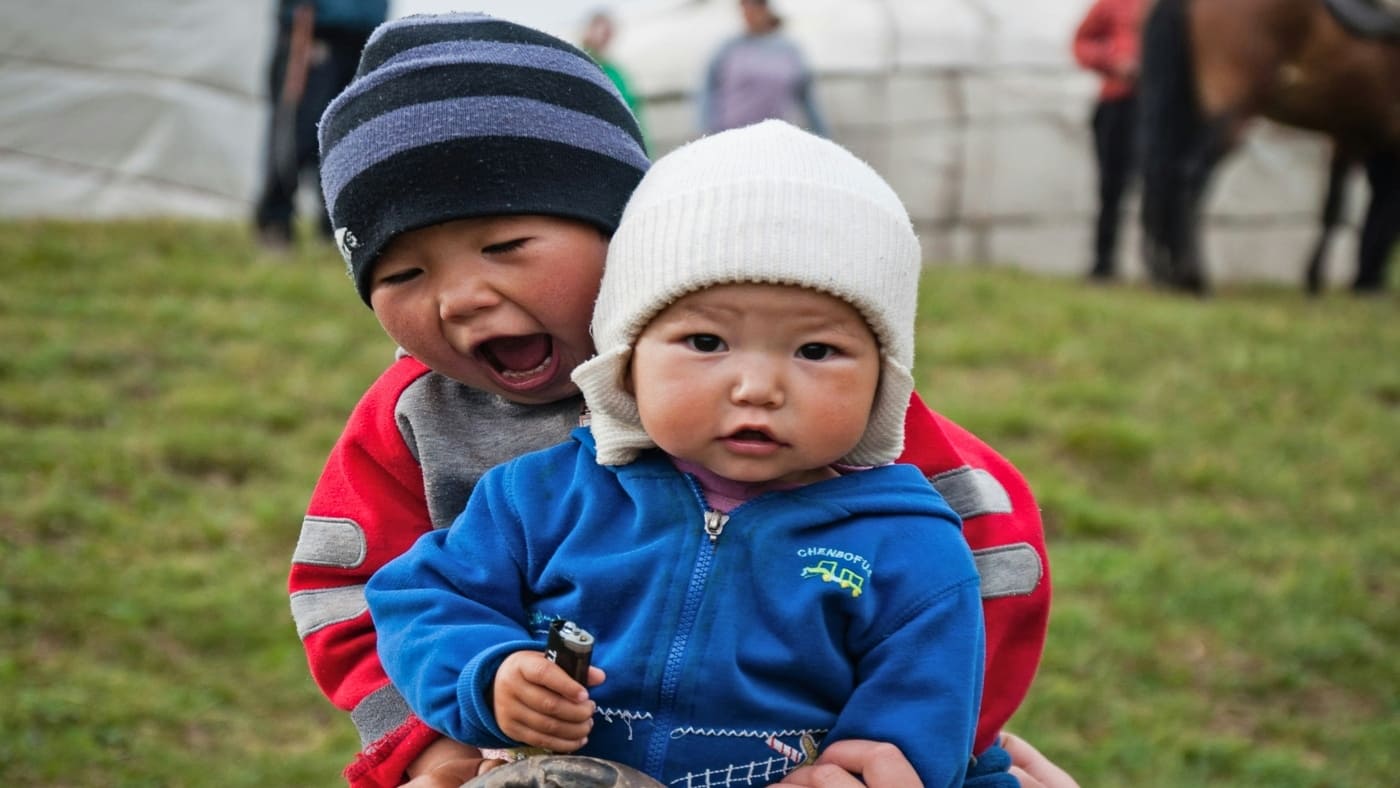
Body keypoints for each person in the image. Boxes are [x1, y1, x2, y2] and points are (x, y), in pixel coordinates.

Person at [291, 12, 1058, 788]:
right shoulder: (427, 426)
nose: (458, 299)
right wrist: (430, 739)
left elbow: (967, 589)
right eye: (401, 276)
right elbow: (357, 596)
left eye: (504, 247)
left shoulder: (840, 412)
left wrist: (915, 753)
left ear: (626, 232)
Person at [366, 119, 987, 786]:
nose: (758, 387)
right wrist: (488, 676)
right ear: (627, 363)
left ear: (882, 384)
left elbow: (922, 726)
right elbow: (424, 599)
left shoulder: (909, 549)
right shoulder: (541, 498)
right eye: (705, 342)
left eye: (816, 351)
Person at [254, 0, 387, 250]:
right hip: (314, 25)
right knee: (297, 131)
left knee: (349, 135)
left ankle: (336, 231)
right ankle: (275, 222)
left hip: (364, 30)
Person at [1071, 0, 1147, 281]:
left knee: (1161, 187)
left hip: (1163, 108)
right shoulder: (1113, 4)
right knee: (1111, 188)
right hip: (1119, 102)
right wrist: (1114, 60)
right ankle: (1104, 265)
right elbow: (1081, 42)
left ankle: (1160, 265)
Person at [699, 0, 828, 136]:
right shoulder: (728, 48)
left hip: (775, 135)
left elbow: (805, 96)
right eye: (744, 10)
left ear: (765, 9)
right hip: (731, 134)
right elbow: (707, 89)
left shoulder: (789, 51)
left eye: (753, 9)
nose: (748, 15)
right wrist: (707, 129)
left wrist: (821, 133)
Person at [581, 8, 647, 151]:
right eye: (602, 32)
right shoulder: (580, 63)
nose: (606, 37)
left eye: (609, 33)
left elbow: (633, 109)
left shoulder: (615, 72)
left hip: (626, 144)